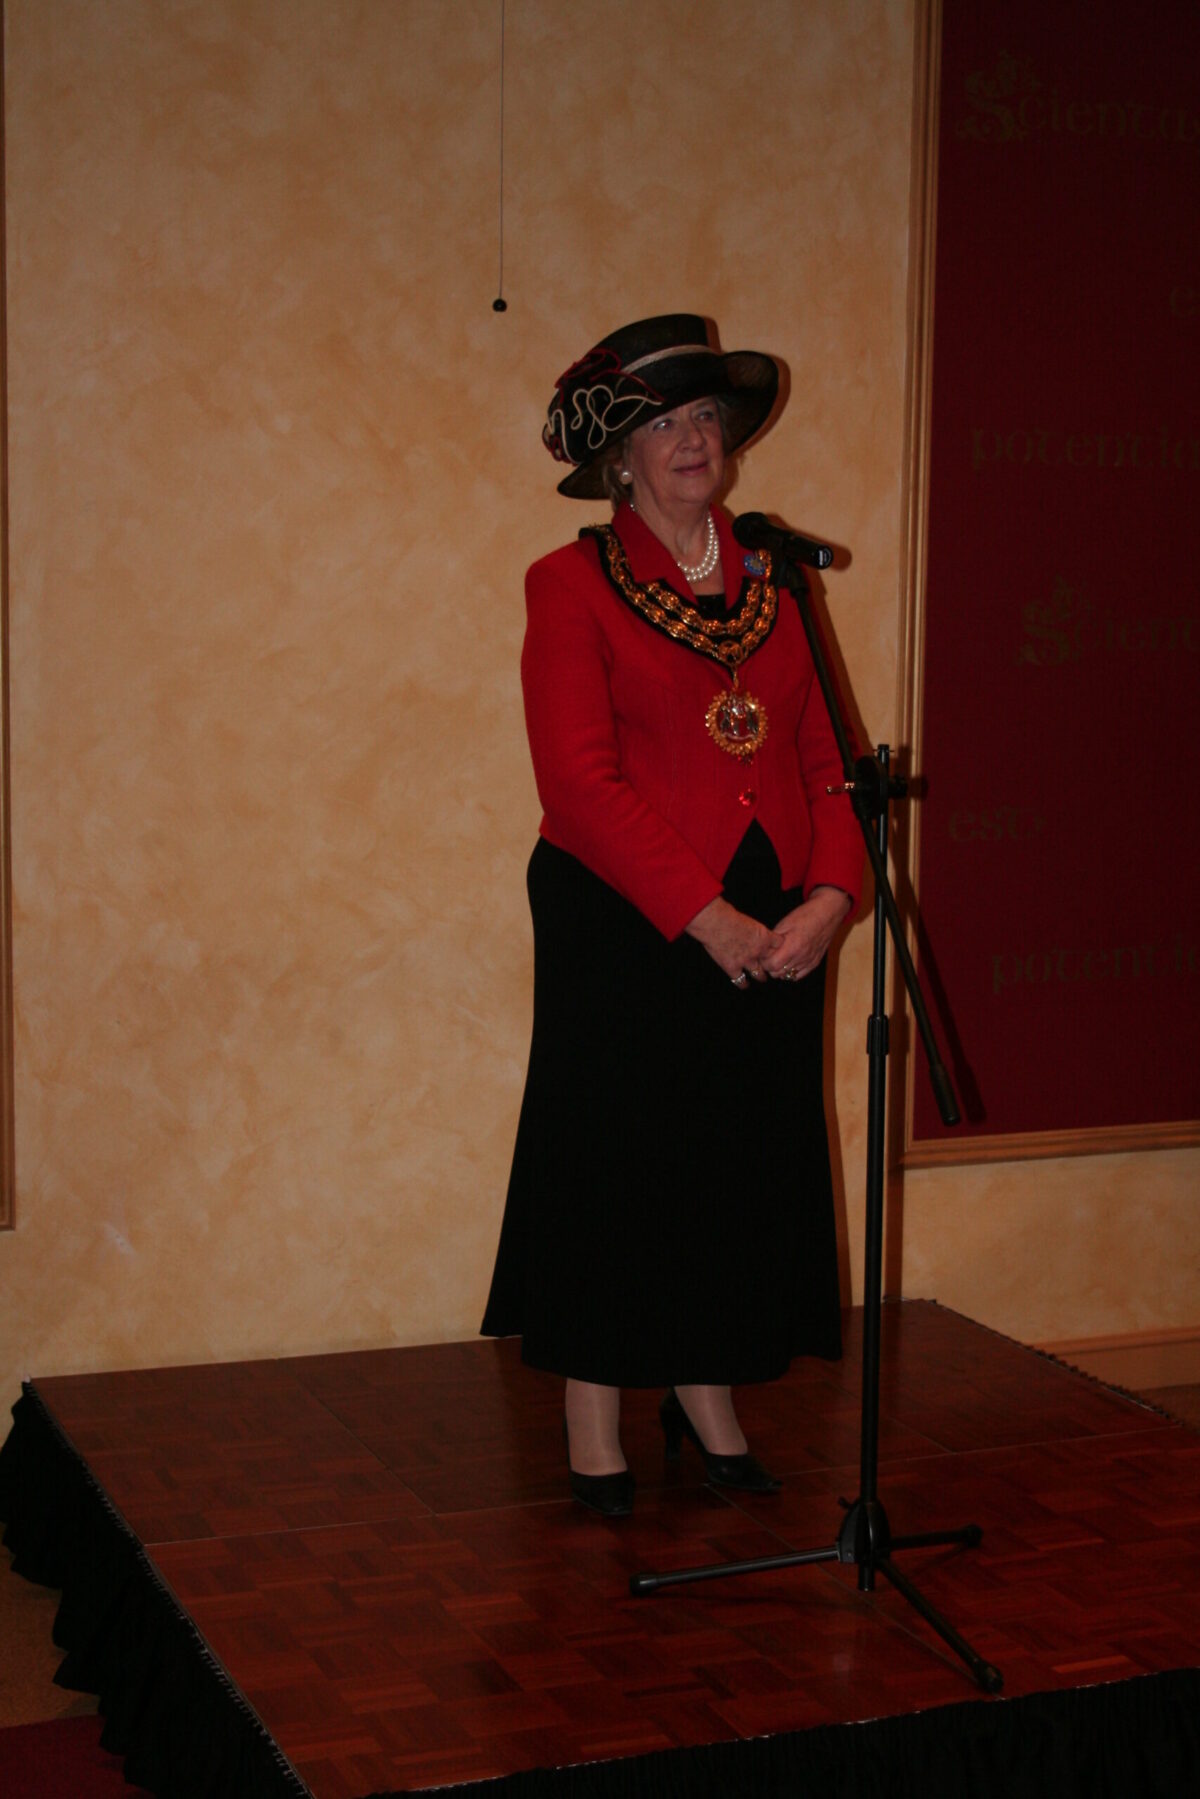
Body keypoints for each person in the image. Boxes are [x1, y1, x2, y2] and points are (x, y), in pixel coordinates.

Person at [481, 315, 862, 1515]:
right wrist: (708, 918)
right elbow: (578, 784)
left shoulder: (776, 584)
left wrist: (832, 898)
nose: (693, 440)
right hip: (625, 912)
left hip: (772, 910)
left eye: (708, 418)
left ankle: (707, 1391)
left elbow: (824, 762)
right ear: (620, 457)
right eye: (665, 422)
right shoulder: (570, 583)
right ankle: (593, 1410)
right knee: (619, 1162)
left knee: (732, 1161)